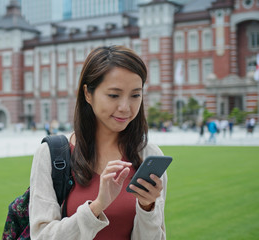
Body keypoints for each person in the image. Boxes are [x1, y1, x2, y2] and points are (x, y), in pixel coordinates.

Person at [29, 46, 167, 240]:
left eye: (135, 95)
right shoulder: (52, 155)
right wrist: (97, 206)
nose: (125, 107)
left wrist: (148, 208)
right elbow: (42, 236)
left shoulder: (149, 156)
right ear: (88, 94)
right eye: (113, 95)